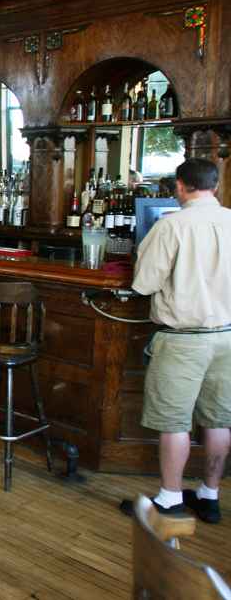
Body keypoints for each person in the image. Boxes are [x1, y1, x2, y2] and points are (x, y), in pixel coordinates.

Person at [119, 158, 231, 524]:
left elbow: (145, 284)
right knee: (218, 420)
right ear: (214, 186)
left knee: (175, 422)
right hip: (228, 337)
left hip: (184, 339)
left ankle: (169, 499)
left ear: (179, 186)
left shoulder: (172, 226)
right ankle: (210, 496)